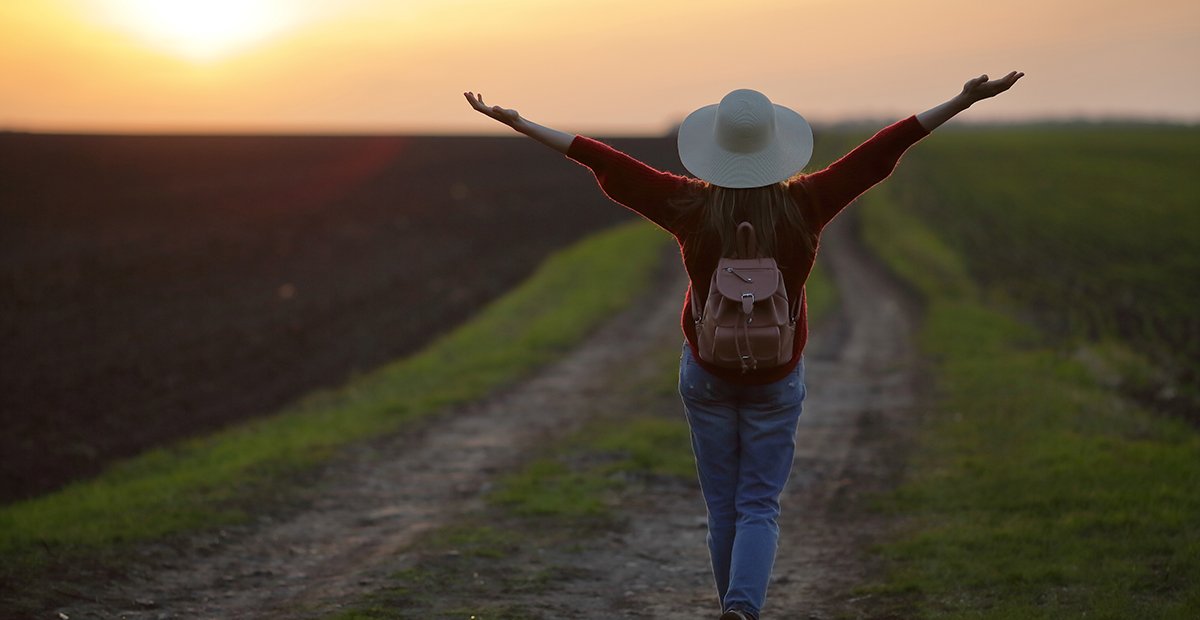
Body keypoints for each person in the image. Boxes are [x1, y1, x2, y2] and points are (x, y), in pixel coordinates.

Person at [464, 71, 1023, 619]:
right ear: (776, 148)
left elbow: (603, 160)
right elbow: (881, 151)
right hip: (778, 375)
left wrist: (518, 122)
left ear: (716, 149)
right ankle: (742, 610)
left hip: (707, 371)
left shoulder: (688, 205)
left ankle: (731, 606)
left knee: (722, 507)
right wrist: (962, 99)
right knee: (759, 504)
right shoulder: (807, 203)